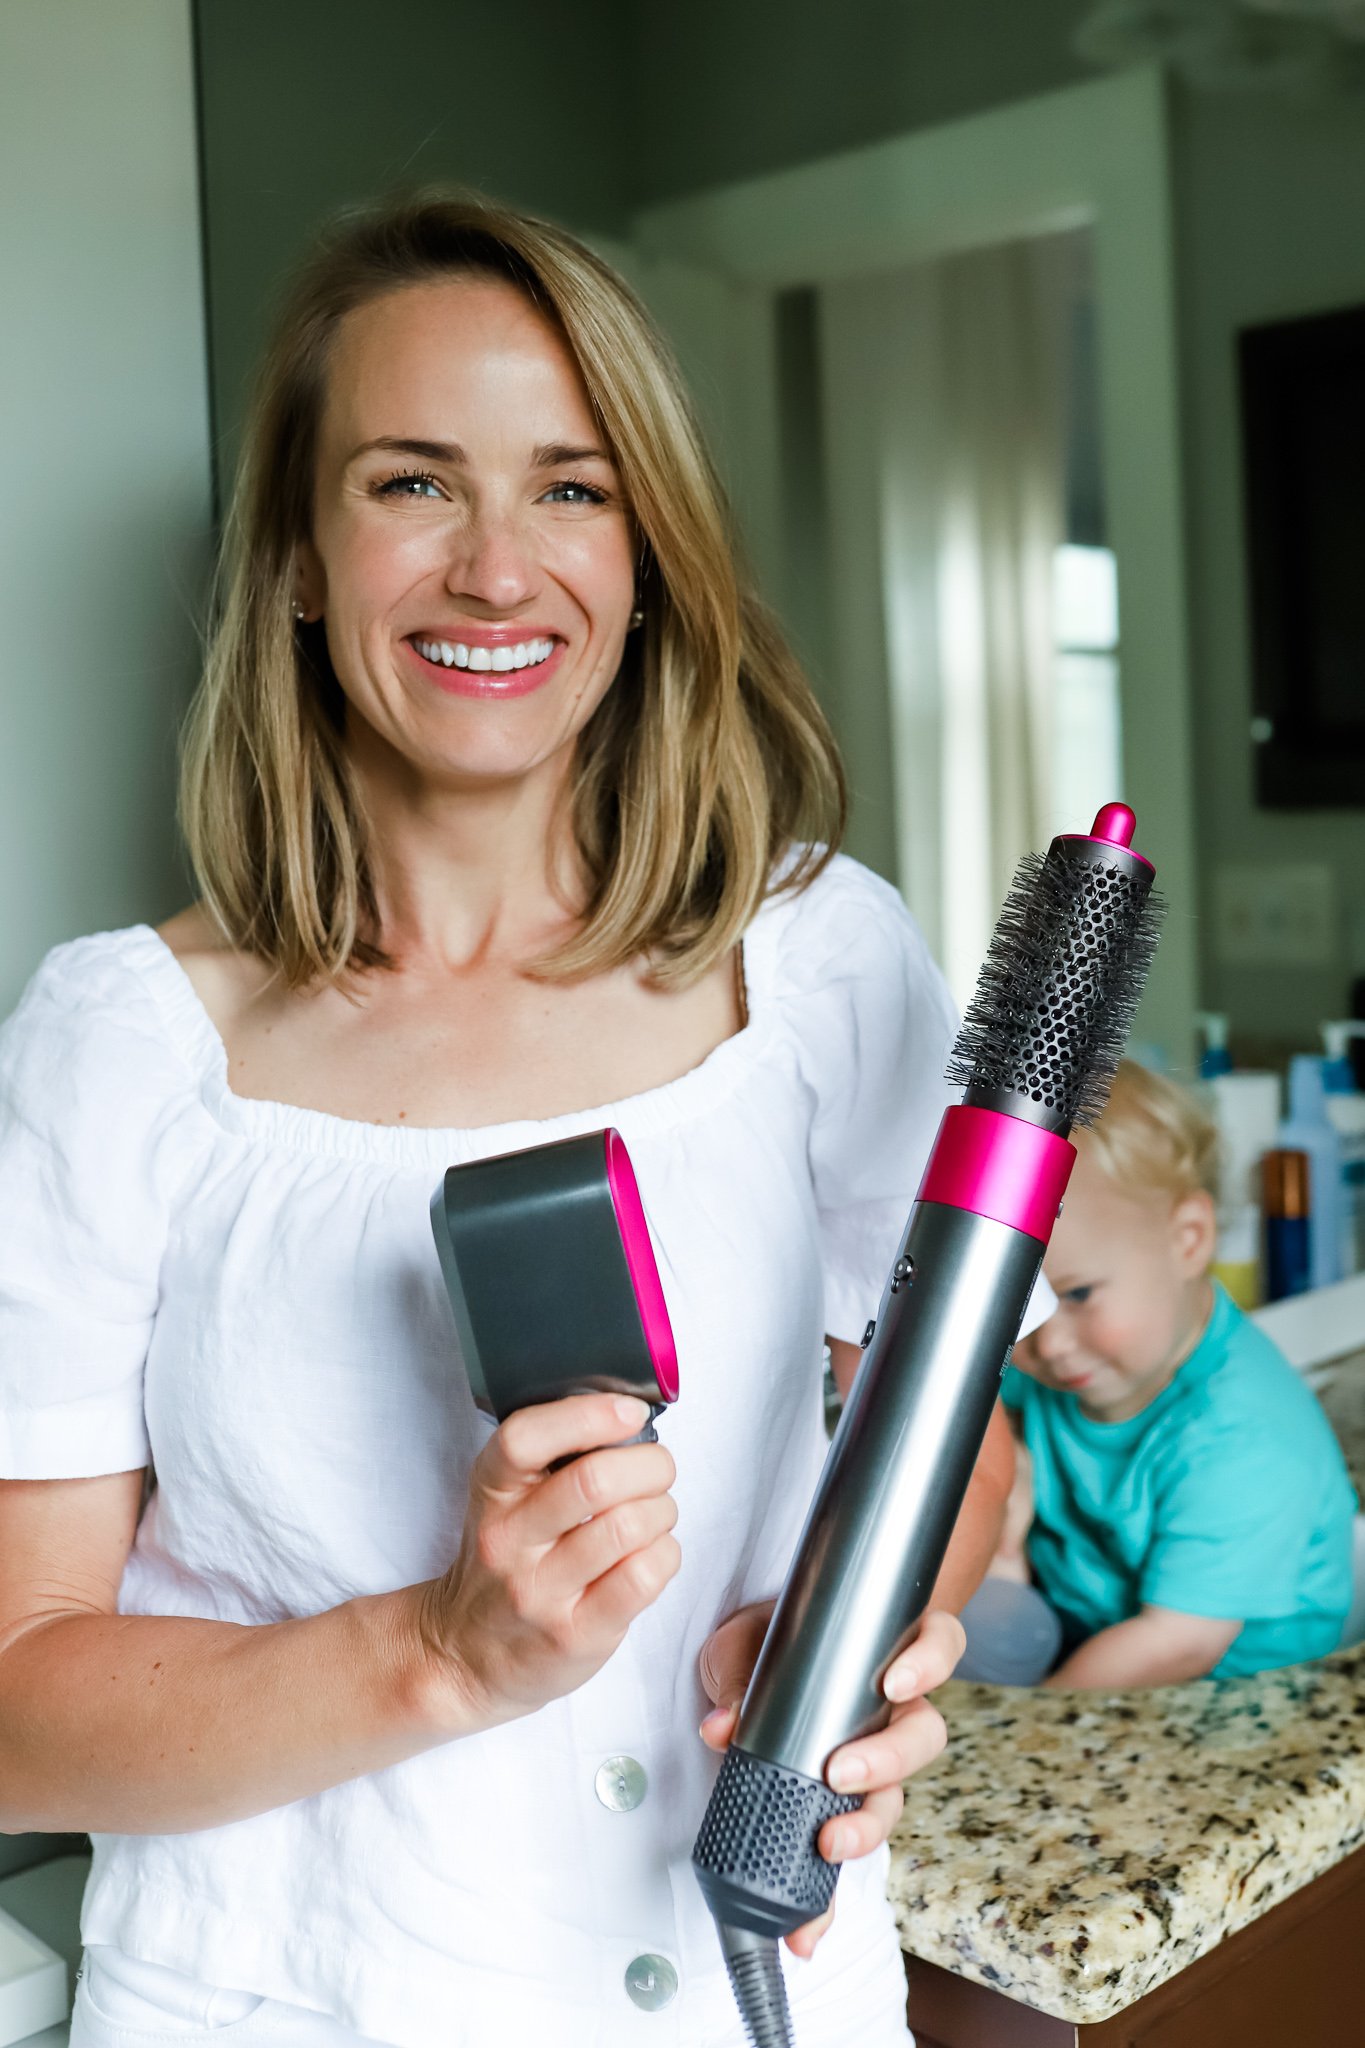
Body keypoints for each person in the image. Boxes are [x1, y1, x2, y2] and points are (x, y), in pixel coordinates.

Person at [0, 190, 1023, 2048]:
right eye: (410, 482)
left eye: (569, 486)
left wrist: (847, 1637)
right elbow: (12, 1704)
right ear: (302, 556)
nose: (495, 568)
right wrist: (441, 1649)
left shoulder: (813, 960)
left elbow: (970, 1445)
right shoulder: (123, 1045)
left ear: (646, 555)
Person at [957, 1060, 1357, 1691]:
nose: (1048, 1342)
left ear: (1189, 1239)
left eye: (1079, 1293)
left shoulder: (1243, 1437)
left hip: (1230, 1700)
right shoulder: (1066, 1364)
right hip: (1092, 1639)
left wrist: (1030, 1727)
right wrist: (1005, 1500)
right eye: (1020, 1308)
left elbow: (1177, 1644)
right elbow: (974, 1418)